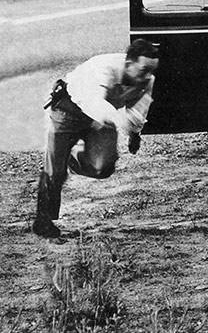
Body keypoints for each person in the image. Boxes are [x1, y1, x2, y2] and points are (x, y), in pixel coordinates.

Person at [32, 39, 160, 238]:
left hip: (102, 120)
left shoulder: (147, 80)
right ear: (129, 64)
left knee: (102, 168)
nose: (147, 76)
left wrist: (135, 134)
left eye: (151, 71)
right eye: (144, 70)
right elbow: (95, 102)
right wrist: (119, 122)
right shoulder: (103, 67)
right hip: (69, 110)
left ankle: (71, 159)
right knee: (55, 171)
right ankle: (43, 222)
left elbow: (138, 112)